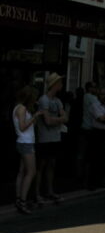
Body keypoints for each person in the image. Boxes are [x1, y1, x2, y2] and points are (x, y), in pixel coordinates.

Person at [36, 72, 68, 203]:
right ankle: (37, 193)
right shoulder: (44, 100)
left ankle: (49, 190)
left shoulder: (57, 100)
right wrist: (59, 119)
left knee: (51, 164)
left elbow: (65, 118)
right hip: (45, 137)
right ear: (54, 85)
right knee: (41, 165)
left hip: (55, 136)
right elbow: (47, 121)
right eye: (59, 82)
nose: (61, 85)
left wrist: (56, 119)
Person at [14, 85, 42, 214]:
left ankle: (19, 199)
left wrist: (33, 118)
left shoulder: (19, 107)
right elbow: (22, 127)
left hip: (22, 142)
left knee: (22, 171)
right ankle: (23, 202)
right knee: (31, 172)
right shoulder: (22, 109)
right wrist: (34, 117)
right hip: (26, 143)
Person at [88, 87, 105, 189]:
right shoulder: (95, 105)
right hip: (96, 133)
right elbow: (101, 119)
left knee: (103, 158)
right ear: (98, 95)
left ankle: (100, 181)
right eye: (102, 94)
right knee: (94, 158)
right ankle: (91, 182)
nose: (104, 96)